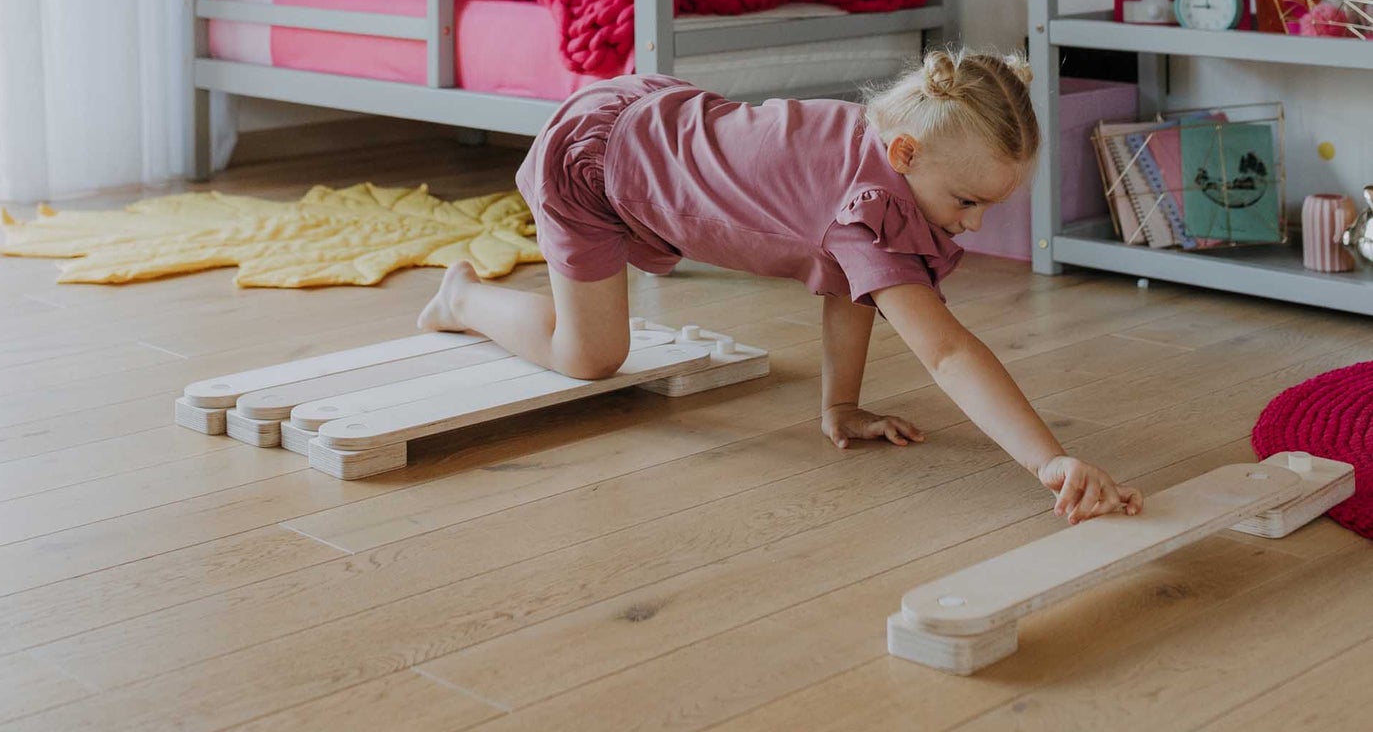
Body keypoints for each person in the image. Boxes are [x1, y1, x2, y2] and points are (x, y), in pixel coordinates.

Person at [419, 47, 1144, 526]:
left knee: (600, 349)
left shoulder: (880, 146)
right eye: (965, 201)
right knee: (589, 356)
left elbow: (845, 285)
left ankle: (464, 298)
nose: (975, 224)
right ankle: (461, 297)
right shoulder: (871, 207)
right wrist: (1048, 459)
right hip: (601, 164)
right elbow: (947, 352)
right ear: (904, 152)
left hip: (651, 117)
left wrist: (841, 406)